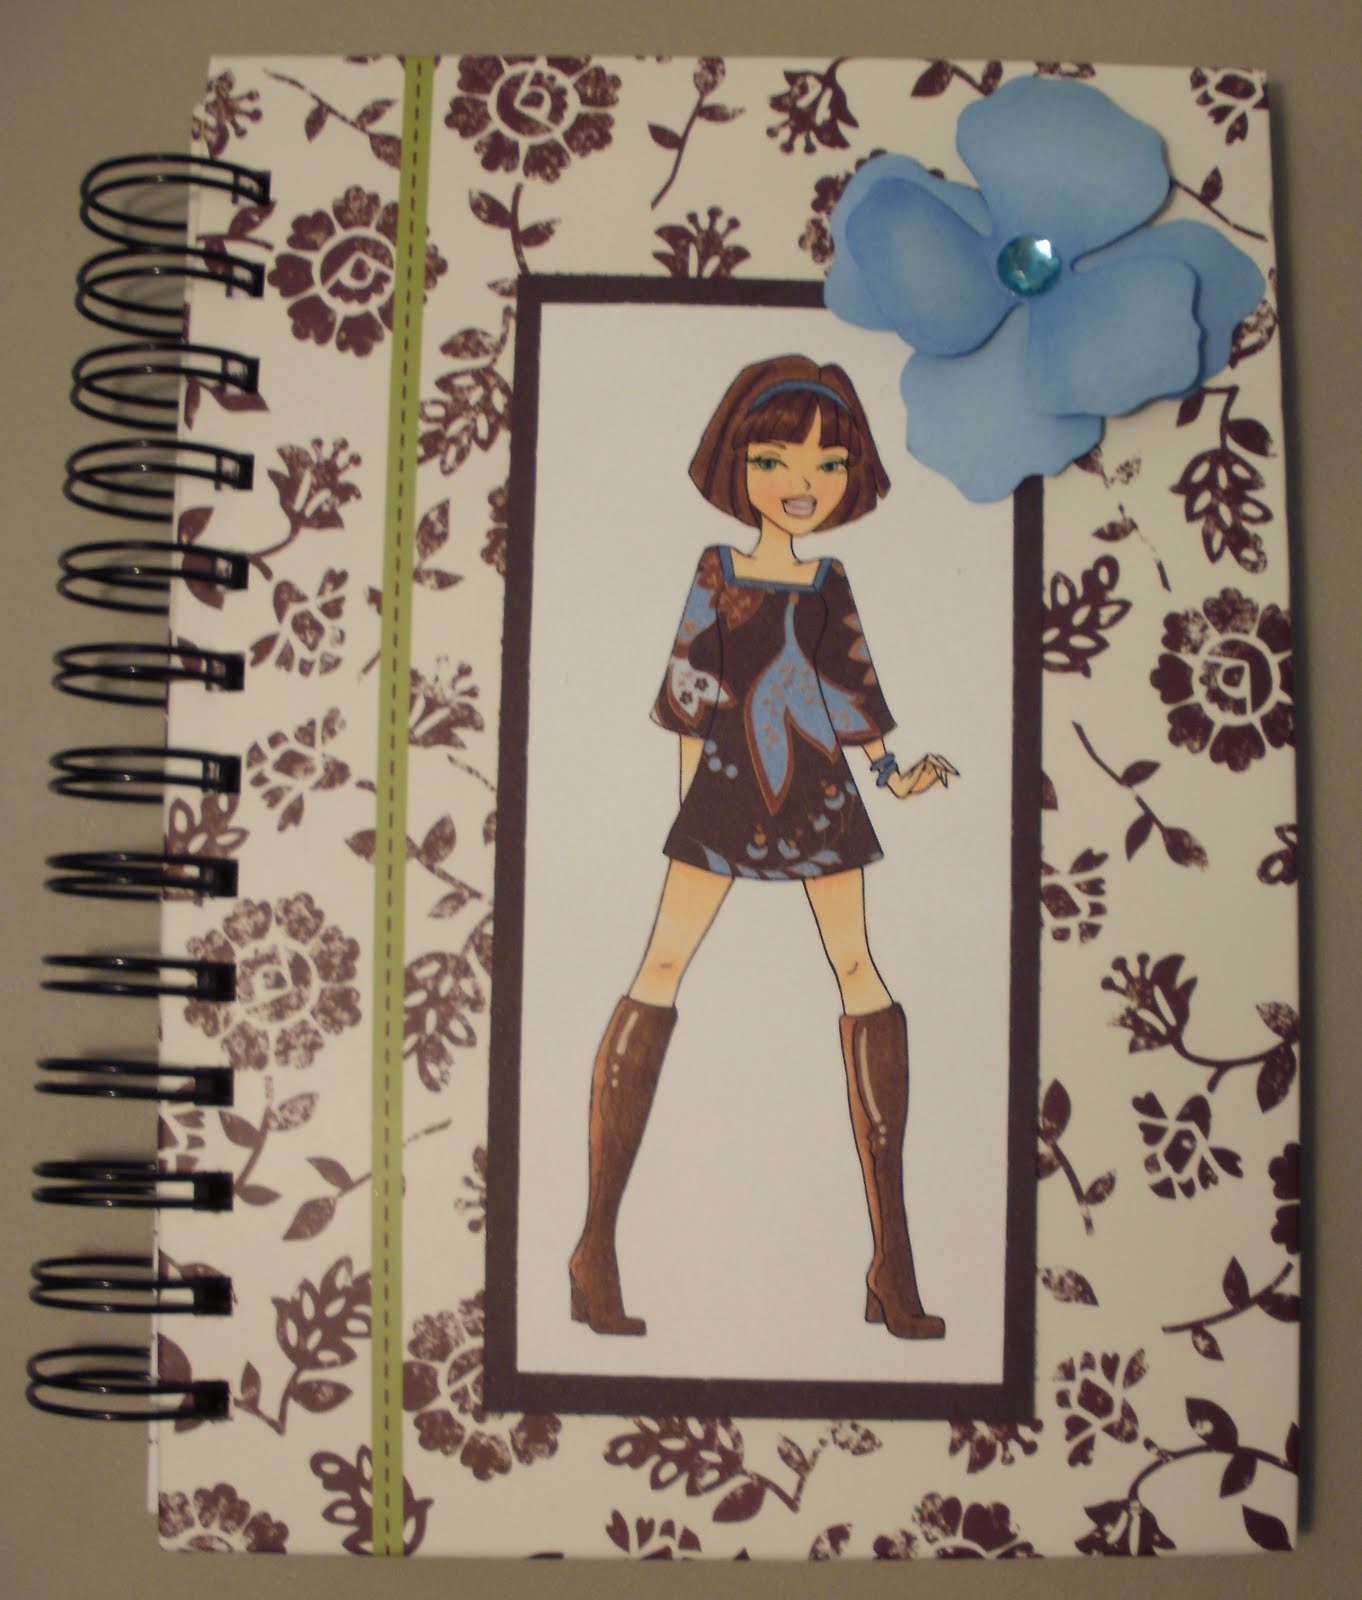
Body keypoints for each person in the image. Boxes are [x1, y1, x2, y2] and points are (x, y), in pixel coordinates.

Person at [568, 354, 956, 1340]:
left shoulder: (829, 581)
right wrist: (692, 805)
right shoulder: (717, 571)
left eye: (827, 465)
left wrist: (895, 773)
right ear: (737, 466)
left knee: (861, 972)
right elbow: (688, 693)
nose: (801, 483)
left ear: (850, 476)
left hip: (819, 795)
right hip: (724, 793)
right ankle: (593, 1246)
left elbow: (851, 694)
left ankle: (893, 1260)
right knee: (660, 966)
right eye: (775, 460)